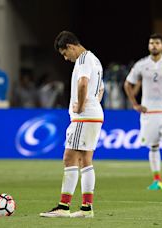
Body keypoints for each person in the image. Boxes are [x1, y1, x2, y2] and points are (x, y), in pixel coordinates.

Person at [40, 31, 104, 218]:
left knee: (69, 157)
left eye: (64, 54)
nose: (66, 58)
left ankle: (64, 206)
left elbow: (83, 83)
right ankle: (86, 208)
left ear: (70, 46)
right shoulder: (95, 60)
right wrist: (93, 103)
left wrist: (82, 105)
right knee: (85, 161)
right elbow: (101, 88)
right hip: (94, 115)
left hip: (84, 117)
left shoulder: (83, 59)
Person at [124, 33, 162, 190]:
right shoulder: (141, 64)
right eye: (151, 43)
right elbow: (127, 84)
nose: (154, 45)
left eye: (157, 43)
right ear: (148, 46)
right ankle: (157, 180)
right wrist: (135, 104)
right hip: (148, 113)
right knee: (153, 146)